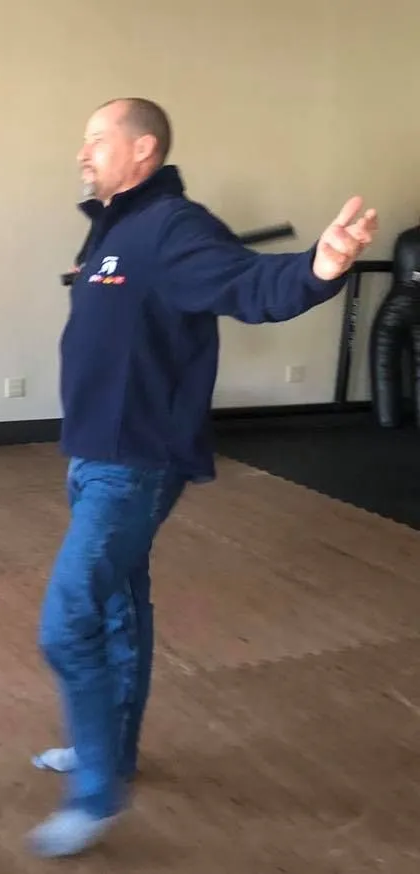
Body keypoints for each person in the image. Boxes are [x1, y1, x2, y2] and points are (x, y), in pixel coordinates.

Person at [27, 97, 377, 859]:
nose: (82, 152)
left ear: (143, 150)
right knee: (117, 608)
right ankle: (111, 753)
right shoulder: (115, 227)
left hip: (135, 462)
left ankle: (96, 794)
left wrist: (320, 266)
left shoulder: (172, 225)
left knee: (68, 621)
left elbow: (249, 284)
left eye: (97, 139)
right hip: (94, 452)